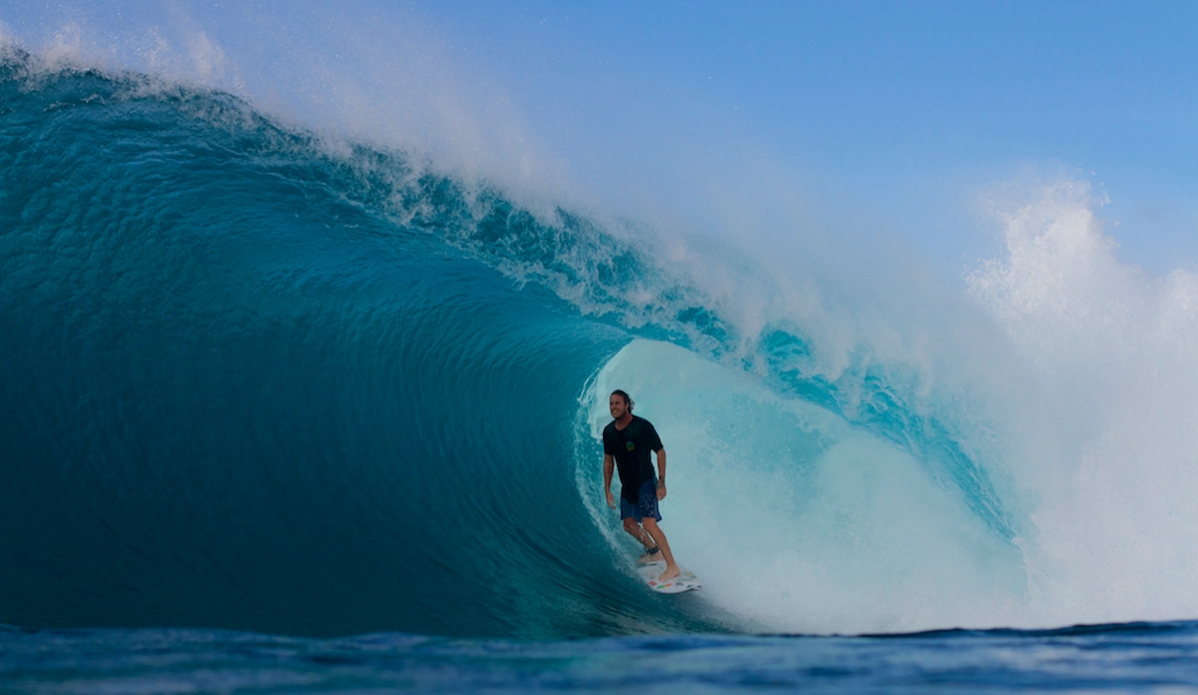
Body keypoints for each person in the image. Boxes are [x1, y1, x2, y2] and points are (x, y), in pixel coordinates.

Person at [602, 389, 680, 582]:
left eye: (617, 403)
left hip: (645, 482)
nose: (614, 407)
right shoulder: (609, 432)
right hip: (628, 485)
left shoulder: (642, 427)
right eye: (611, 404)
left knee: (649, 524)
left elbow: (660, 452)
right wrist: (607, 489)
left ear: (627, 404)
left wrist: (661, 481)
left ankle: (672, 566)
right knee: (628, 524)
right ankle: (654, 551)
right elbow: (608, 461)